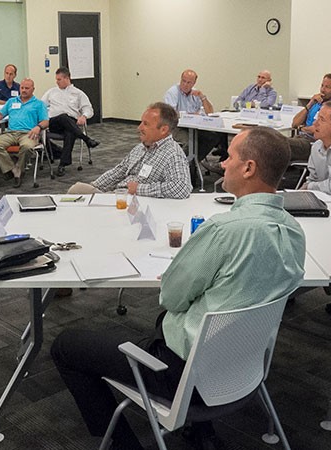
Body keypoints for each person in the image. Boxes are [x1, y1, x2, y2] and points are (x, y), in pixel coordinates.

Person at [52, 126, 306, 450]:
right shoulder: (293, 230)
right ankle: (202, 433)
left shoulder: (223, 231)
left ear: (248, 168)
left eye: (229, 157)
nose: (222, 163)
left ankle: (125, 445)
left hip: (186, 377)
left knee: (66, 346)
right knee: (174, 322)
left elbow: (171, 297)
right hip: (244, 368)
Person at [67, 102, 190, 199]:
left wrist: (139, 189)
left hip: (133, 201)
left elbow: (181, 188)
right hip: (117, 194)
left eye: (146, 124)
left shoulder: (172, 154)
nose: (139, 128)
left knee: (76, 193)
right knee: (78, 190)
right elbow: (119, 171)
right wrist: (95, 185)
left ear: (163, 130)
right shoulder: (141, 147)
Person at [0, 78, 49, 188]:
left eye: (27, 88)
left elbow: (45, 121)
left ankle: (19, 171)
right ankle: (13, 169)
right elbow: (0, 114)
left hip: (28, 133)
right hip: (11, 133)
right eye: (22, 88)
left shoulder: (39, 104)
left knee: (27, 147)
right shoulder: (11, 101)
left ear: (33, 89)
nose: (24, 90)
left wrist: (38, 127)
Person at [164, 69, 227, 175]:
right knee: (190, 142)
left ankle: (191, 163)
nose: (185, 84)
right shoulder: (173, 92)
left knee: (213, 137)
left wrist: (202, 97)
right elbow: (171, 114)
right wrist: (192, 115)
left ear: (194, 83)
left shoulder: (196, 93)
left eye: (189, 82)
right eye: (183, 81)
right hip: (176, 127)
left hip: (194, 127)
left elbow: (210, 112)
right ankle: (179, 168)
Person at [42, 66, 99, 176]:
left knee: (70, 132)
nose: (57, 82)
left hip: (71, 124)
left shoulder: (78, 93)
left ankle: (62, 164)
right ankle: (86, 139)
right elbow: (40, 106)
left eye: (59, 79)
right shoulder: (51, 92)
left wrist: (84, 116)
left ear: (67, 78)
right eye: (56, 79)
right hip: (54, 123)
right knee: (63, 117)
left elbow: (88, 109)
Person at [287, 73, 331, 162]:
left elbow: (317, 129)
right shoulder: (317, 103)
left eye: (327, 87)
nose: (323, 90)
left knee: (280, 144)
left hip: (313, 143)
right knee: (275, 141)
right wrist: (310, 103)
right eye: (322, 86)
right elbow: (295, 123)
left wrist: (301, 128)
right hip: (301, 138)